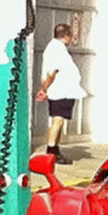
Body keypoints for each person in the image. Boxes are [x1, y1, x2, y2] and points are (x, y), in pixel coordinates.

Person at [35, 24, 86, 165]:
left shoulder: (56, 48)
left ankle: (55, 150)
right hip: (60, 91)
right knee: (58, 120)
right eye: (71, 35)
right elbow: (52, 72)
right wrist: (43, 89)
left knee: (59, 120)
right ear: (67, 35)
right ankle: (51, 151)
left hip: (64, 90)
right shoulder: (56, 49)